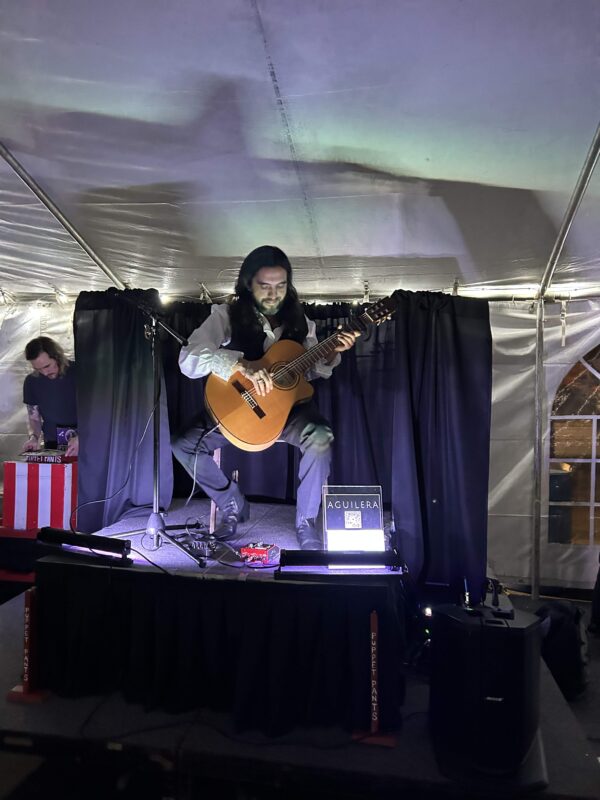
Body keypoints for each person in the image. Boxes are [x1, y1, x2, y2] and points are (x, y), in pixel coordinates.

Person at [172, 245, 357, 549]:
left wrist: (330, 353)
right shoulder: (227, 315)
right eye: (265, 286)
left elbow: (310, 372)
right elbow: (188, 359)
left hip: (288, 413)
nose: (273, 295)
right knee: (183, 443)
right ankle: (231, 502)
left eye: (281, 286)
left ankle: (306, 522)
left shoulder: (302, 322)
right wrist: (239, 365)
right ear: (248, 285)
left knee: (321, 437)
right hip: (240, 408)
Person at [22, 336, 79, 457]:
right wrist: (34, 437)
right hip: (52, 445)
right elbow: (34, 418)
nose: (44, 373)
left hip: (85, 442)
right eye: (38, 369)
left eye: (47, 366)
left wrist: (82, 436)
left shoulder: (81, 372)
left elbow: (99, 413)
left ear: (58, 357)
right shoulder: (31, 381)